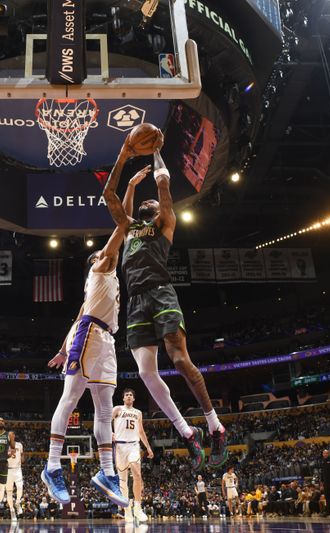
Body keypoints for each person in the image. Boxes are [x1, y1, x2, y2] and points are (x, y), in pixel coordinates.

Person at [102, 140, 227, 468]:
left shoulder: (163, 223)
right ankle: (188, 434)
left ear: (159, 210)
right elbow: (111, 198)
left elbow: (163, 183)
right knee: (145, 372)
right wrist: (124, 156)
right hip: (136, 303)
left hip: (161, 294)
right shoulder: (129, 230)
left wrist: (158, 147)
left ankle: (215, 426)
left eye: (153, 202)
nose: (149, 201)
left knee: (180, 361)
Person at [40, 223, 130, 510]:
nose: (105, 256)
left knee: (105, 410)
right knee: (70, 399)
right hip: (90, 335)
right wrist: (125, 220)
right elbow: (116, 242)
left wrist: (62, 349)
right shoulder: (100, 269)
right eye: (100, 255)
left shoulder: (105, 285)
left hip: (106, 340)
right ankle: (52, 466)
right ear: (95, 263)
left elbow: (77, 316)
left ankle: (107, 472)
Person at [113, 388, 152, 523]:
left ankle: (138, 507)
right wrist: (109, 434)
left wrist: (148, 447)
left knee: (137, 473)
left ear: (133, 399)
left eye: (131, 395)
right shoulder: (117, 409)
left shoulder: (138, 413)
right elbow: (105, 421)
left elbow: (141, 431)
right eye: (126, 395)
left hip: (134, 445)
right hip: (119, 447)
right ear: (123, 398)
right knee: (123, 481)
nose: (129, 396)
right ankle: (127, 509)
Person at [5, 440, 23, 521]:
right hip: (8, 470)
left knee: (20, 486)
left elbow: (22, 454)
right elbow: (2, 457)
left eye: (12, 436)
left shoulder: (19, 444)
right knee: (9, 491)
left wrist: (22, 459)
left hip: (18, 469)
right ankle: (12, 510)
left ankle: (17, 502)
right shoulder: (5, 445)